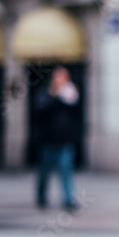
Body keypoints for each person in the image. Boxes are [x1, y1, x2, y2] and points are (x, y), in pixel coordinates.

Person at [34, 66, 81, 211]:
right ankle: (41, 197)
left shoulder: (69, 94)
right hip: (48, 140)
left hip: (65, 140)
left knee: (65, 170)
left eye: (63, 77)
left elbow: (76, 107)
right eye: (58, 77)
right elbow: (40, 111)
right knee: (44, 172)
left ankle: (68, 200)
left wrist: (65, 94)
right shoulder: (45, 94)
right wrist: (53, 95)